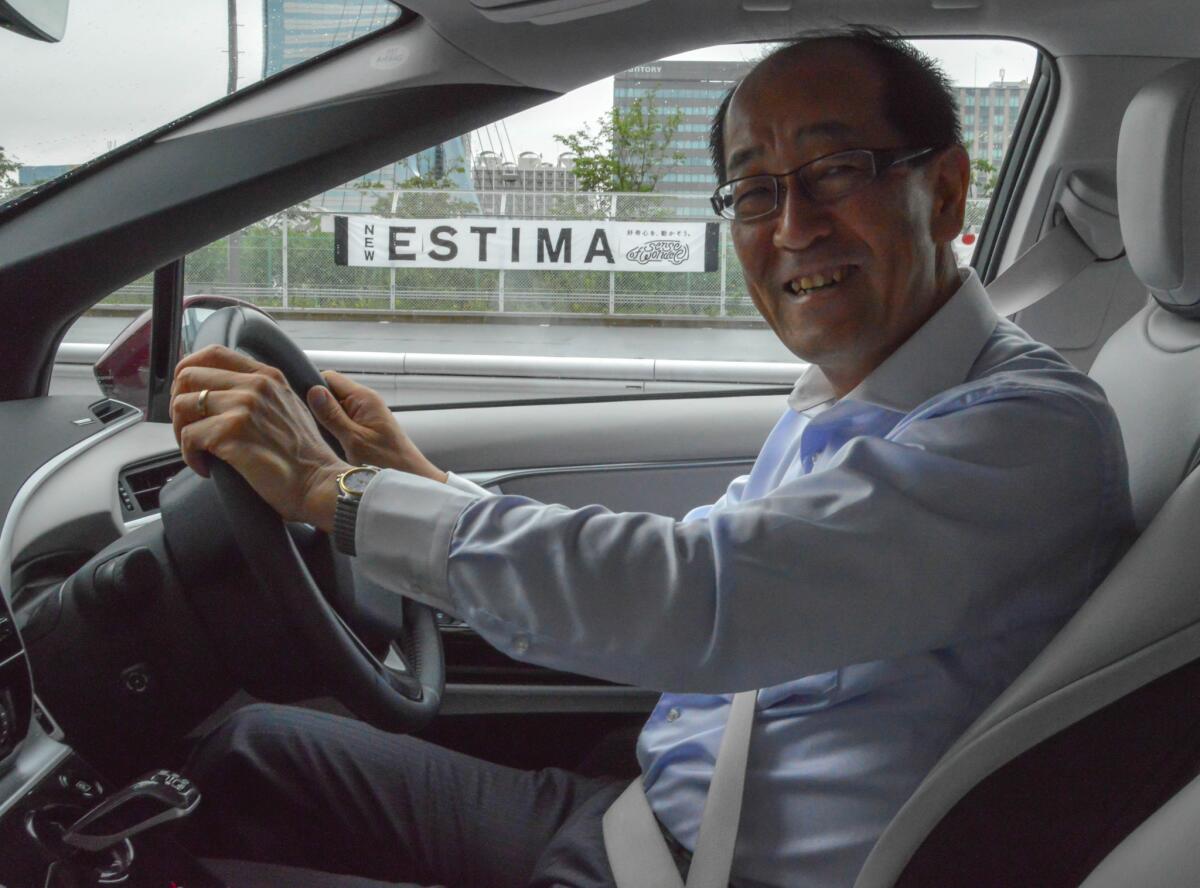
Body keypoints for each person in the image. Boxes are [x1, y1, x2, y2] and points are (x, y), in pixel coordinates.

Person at [169, 28, 1133, 888]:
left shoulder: (1026, 431)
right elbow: (714, 559)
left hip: (702, 867)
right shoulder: (851, 399)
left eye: (835, 168)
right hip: (633, 818)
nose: (793, 225)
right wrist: (414, 481)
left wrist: (336, 494)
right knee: (238, 757)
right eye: (755, 190)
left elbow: (703, 595)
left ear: (948, 190)